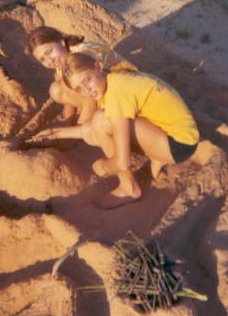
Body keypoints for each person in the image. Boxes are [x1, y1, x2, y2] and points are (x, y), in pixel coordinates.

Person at [27, 52, 199, 210]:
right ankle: (156, 156)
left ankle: (129, 188)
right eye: (79, 89)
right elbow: (90, 130)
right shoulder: (112, 80)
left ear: (97, 66)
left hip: (179, 144)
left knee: (101, 121)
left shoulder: (117, 93)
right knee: (96, 125)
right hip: (170, 131)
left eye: (87, 80)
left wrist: (103, 166)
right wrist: (55, 134)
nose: (86, 91)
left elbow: (121, 162)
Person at [26, 26, 136, 129]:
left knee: (70, 84)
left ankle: (82, 129)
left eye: (49, 52)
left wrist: (72, 134)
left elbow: (89, 54)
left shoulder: (81, 53)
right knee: (56, 89)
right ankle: (82, 122)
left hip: (124, 92)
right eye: (42, 59)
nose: (50, 60)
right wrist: (67, 126)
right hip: (102, 92)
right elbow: (67, 96)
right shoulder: (62, 62)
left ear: (61, 42)